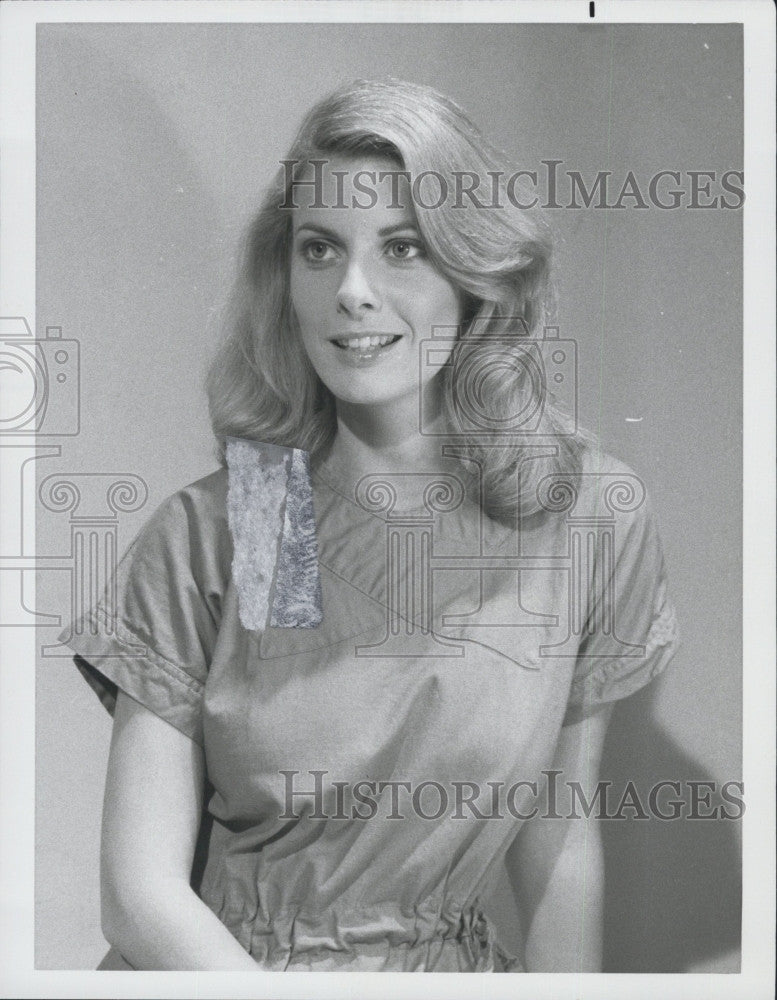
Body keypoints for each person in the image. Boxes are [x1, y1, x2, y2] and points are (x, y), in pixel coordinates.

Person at [62, 78, 679, 973]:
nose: (350, 291)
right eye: (319, 250)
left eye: (401, 249)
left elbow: (557, 841)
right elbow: (138, 898)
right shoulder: (234, 526)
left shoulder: (581, 514)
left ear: (473, 276)